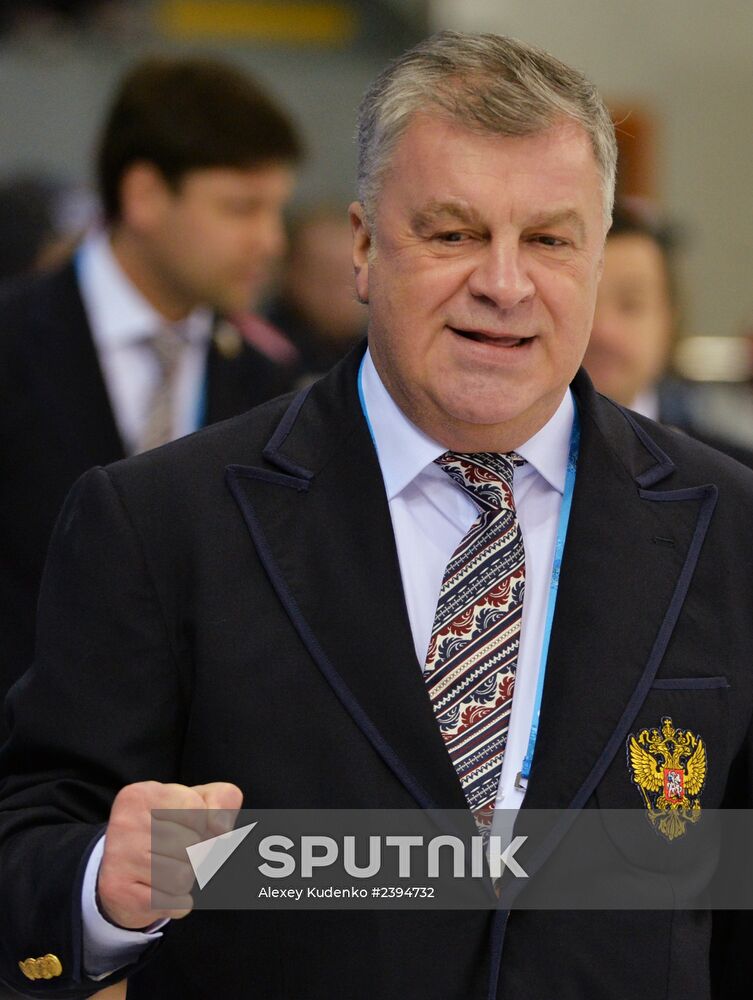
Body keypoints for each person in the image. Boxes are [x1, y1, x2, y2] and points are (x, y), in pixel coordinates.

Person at [1, 31, 752, 999]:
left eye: (551, 239)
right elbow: (31, 837)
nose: (506, 283)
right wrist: (104, 882)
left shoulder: (726, 528)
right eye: (453, 233)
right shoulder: (161, 522)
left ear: (600, 256)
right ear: (362, 246)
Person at [0, 55, 303, 732]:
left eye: (276, 209)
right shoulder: (13, 343)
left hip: (199, 801)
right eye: (239, 207)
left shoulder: (265, 379)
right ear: (142, 195)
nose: (269, 240)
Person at [583, 200, 753, 465]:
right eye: (585, 302)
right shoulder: (502, 475)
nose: (602, 330)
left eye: (631, 304)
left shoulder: (732, 476)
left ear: (670, 319)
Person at [265, 206, 367, 380]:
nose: (341, 288)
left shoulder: (378, 355)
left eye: (351, 272)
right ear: (289, 275)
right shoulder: (262, 357)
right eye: (324, 274)